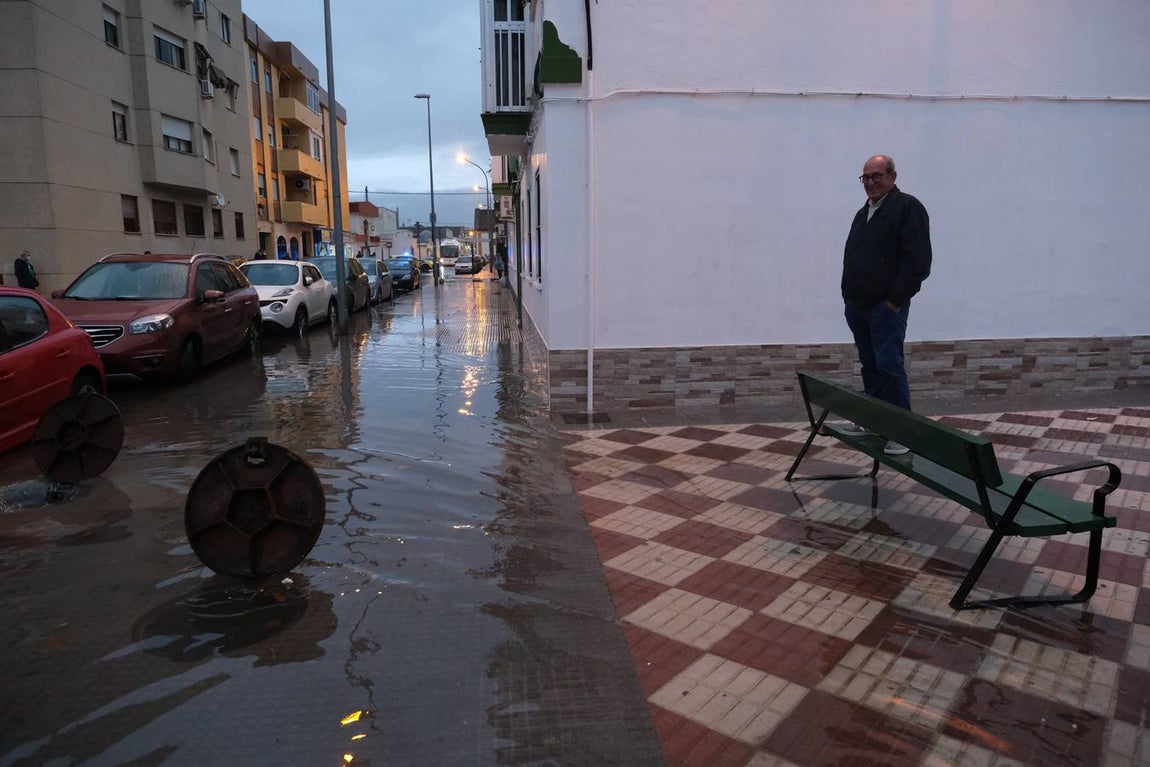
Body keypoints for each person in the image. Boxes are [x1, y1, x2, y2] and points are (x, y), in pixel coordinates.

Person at [840, 155, 932, 455]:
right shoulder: (863, 213)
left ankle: (901, 433)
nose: (870, 183)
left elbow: (917, 261)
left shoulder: (907, 208)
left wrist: (895, 300)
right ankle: (875, 421)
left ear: (892, 176)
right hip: (858, 305)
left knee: (889, 366)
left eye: (876, 176)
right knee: (870, 365)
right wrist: (847, 295)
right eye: (865, 178)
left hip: (884, 307)